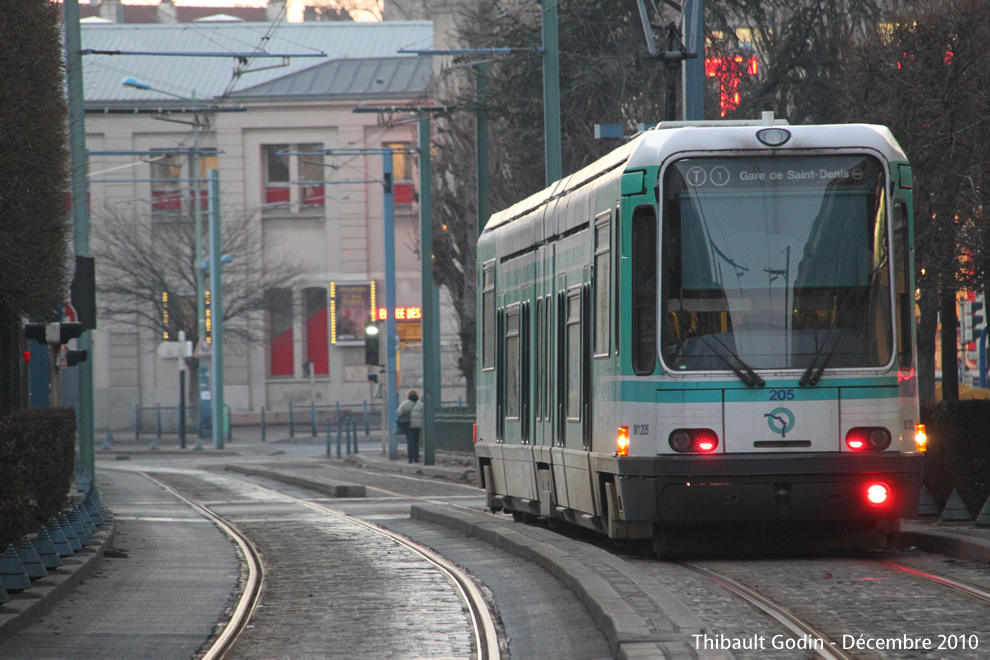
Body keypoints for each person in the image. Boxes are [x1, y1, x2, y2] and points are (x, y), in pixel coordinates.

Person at [396, 389, 424, 463]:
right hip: (418, 425)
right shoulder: (420, 404)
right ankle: (416, 457)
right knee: (416, 441)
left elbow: (399, 412)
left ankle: (410, 458)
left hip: (408, 425)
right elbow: (424, 413)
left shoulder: (405, 404)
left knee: (410, 441)